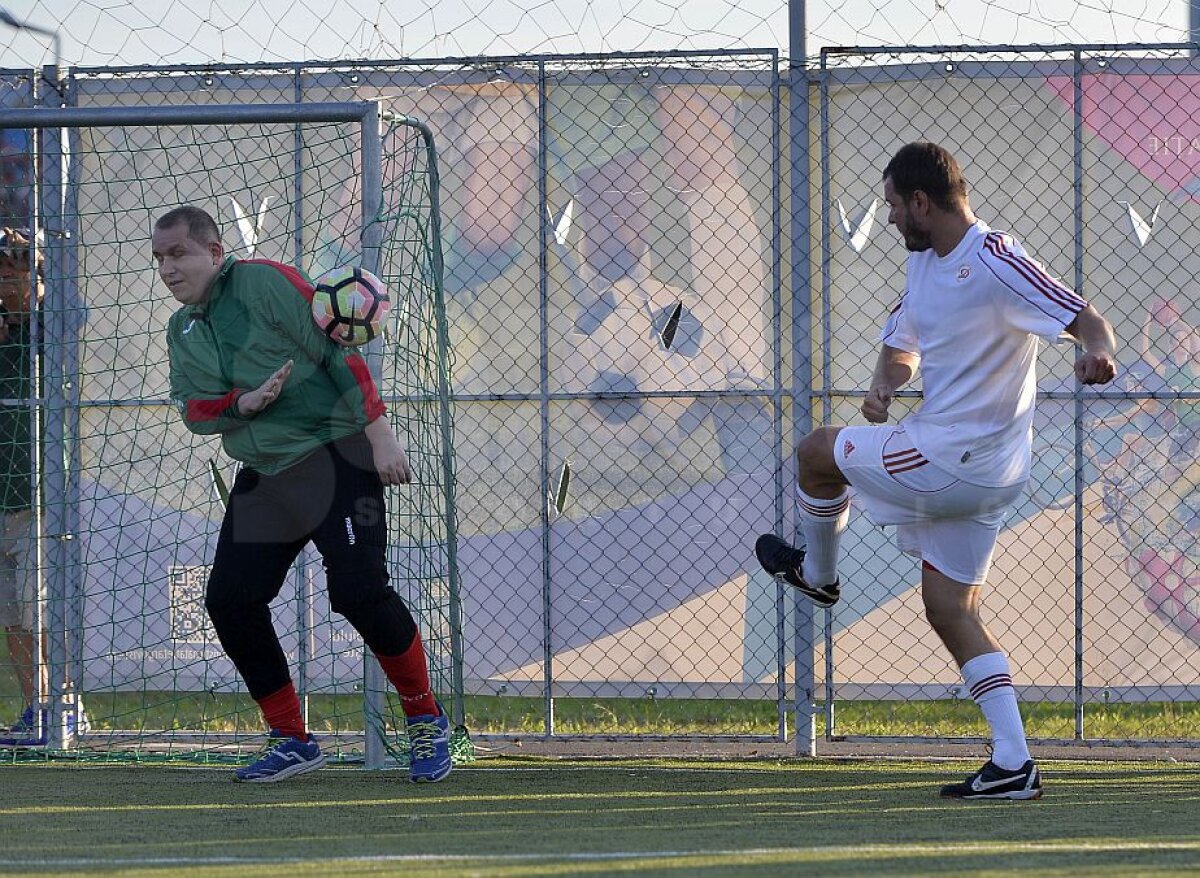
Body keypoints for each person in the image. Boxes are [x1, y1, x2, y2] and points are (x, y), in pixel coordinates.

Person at [755, 143, 1117, 800]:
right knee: (949, 608)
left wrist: (1096, 351)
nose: (889, 218)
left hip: (952, 459)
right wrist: (884, 388)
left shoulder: (994, 258)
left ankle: (818, 575)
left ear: (922, 202)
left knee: (814, 453)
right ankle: (1014, 763)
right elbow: (905, 345)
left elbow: (1086, 318)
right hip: (981, 475)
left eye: (893, 204)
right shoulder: (925, 265)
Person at [155, 206, 451, 783]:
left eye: (179, 254)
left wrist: (381, 435)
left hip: (337, 455)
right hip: (266, 474)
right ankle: (291, 738)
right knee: (231, 600)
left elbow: (340, 351)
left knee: (360, 591)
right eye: (160, 258)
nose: (168, 268)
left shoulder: (266, 281)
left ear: (215, 253)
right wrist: (243, 405)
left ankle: (426, 719)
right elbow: (194, 408)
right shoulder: (182, 328)